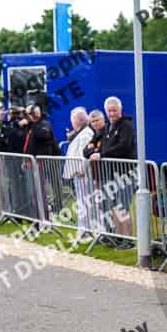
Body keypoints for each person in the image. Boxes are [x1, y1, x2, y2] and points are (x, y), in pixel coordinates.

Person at [92, 96, 136, 244]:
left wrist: (102, 154)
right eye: (109, 111)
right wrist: (92, 153)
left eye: (114, 110)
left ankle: (128, 239)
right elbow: (91, 145)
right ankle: (115, 237)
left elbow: (123, 146)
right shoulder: (105, 128)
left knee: (122, 207)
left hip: (126, 173)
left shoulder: (127, 126)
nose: (112, 113)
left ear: (120, 110)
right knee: (110, 207)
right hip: (110, 173)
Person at [63, 107, 95, 243]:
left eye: (73, 120)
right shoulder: (81, 132)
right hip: (78, 173)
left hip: (83, 174)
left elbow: (85, 154)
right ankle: (83, 230)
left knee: (85, 202)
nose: (71, 123)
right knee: (82, 202)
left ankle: (86, 231)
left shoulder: (86, 133)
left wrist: (81, 169)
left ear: (77, 121)